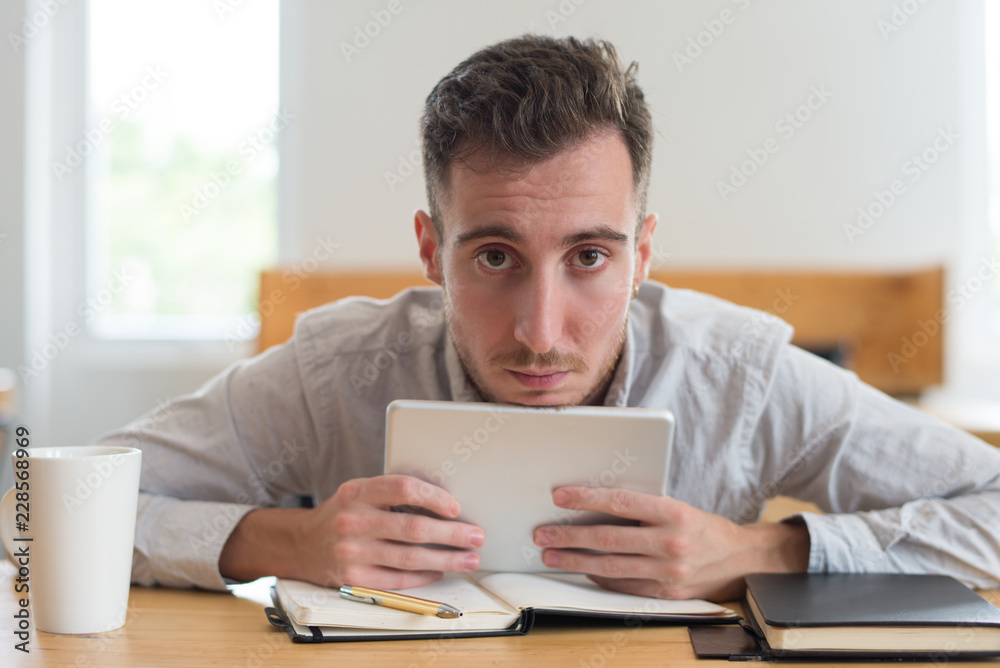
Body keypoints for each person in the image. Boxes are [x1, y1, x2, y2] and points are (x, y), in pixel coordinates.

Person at [101, 35, 1000, 602]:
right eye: (494, 257)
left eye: (590, 258)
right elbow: (30, 507)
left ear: (643, 255)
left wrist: (765, 550)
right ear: (429, 250)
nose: (539, 331)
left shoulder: (741, 374)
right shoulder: (337, 368)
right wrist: (282, 540)